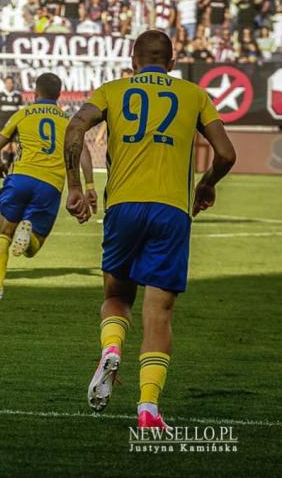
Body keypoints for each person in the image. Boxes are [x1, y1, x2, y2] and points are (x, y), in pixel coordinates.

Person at [63, 30, 237, 428]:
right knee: (159, 312)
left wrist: (75, 186)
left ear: (133, 62)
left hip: (123, 206)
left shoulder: (113, 89)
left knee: (117, 296)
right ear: (172, 64)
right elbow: (227, 154)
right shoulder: (194, 94)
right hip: (172, 212)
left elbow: (75, 129)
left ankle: (111, 347)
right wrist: (206, 183)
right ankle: (148, 410)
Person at [0, 73, 96, 301]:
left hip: (20, 178)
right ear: (59, 95)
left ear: (35, 93)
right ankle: (28, 236)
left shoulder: (23, 113)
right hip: (50, 184)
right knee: (33, 248)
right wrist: (89, 185)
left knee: (4, 233)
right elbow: (83, 151)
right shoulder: (67, 120)